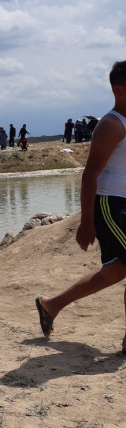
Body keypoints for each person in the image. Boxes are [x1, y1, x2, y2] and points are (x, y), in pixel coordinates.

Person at [35, 61, 126, 354]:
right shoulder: (111, 124)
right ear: (119, 90)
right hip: (110, 204)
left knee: (117, 270)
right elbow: (89, 175)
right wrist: (87, 221)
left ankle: (51, 305)